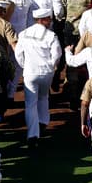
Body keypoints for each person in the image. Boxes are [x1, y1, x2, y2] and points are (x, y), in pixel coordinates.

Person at [14, 8, 62, 147]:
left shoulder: (23, 34)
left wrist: (25, 66)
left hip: (30, 73)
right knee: (43, 97)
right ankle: (43, 122)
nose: (50, 21)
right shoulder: (51, 35)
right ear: (42, 20)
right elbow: (57, 54)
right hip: (46, 73)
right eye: (48, 19)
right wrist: (51, 65)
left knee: (30, 104)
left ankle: (33, 134)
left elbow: (18, 54)